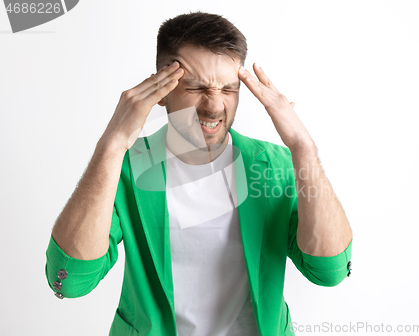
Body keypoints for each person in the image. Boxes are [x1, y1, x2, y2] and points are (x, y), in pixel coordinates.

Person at [45, 11, 353, 336]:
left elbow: (328, 271)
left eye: (229, 89)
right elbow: (70, 279)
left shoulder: (276, 166)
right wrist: (112, 145)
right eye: (196, 88)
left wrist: (303, 148)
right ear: (161, 90)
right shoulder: (125, 167)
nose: (215, 106)